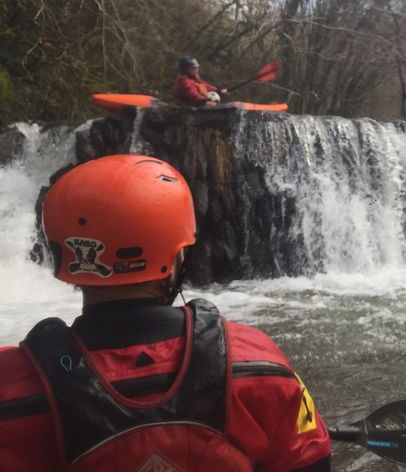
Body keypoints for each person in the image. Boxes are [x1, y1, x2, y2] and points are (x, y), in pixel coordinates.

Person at [0, 155, 331, 471]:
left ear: (62, 256)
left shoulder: (12, 386)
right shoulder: (259, 364)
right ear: (176, 257)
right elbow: (311, 461)